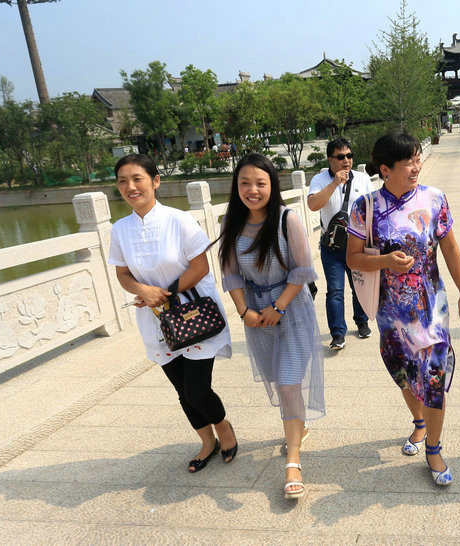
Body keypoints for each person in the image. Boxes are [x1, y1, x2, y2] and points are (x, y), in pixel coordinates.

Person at [346, 132, 460, 487]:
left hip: (430, 303)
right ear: (386, 169)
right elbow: (353, 257)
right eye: (409, 162)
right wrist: (387, 260)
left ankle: (433, 448)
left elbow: (449, 248)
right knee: (402, 371)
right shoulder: (365, 207)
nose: (417, 167)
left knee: (432, 376)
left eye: (418, 159)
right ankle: (419, 424)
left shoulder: (435, 199)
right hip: (390, 311)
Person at [108, 154, 237, 474]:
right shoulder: (120, 229)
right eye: (123, 181)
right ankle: (206, 441)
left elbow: (200, 266)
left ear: (155, 181)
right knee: (182, 390)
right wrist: (141, 290)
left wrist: (161, 295)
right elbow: (122, 274)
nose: (130, 186)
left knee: (196, 389)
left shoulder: (179, 220)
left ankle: (223, 428)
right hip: (157, 323)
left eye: (137, 178)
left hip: (194, 315)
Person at [215, 153, 325, 500]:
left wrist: (279, 306)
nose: (253, 190)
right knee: (280, 383)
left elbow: (302, 270)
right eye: (245, 183)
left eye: (260, 183)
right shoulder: (230, 224)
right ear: (236, 187)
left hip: (291, 309)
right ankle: (298, 427)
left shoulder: (286, 219)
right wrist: (243, 310)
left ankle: (292, 461)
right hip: (255, 316)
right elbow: (230, 273)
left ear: (271, 185)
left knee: (290, 382)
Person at [307, 136, 375, 349]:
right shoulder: (320, 180)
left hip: (357, 246)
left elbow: (372, 209)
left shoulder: (363, 179)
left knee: (359, 286)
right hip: (332, 247)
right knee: (335, 291)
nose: (346, 160)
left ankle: (362, 321)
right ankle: (337, 334)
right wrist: (336, 182)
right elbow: (313, 205)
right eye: (340, 157)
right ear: (330, 159)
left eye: (349, 155)